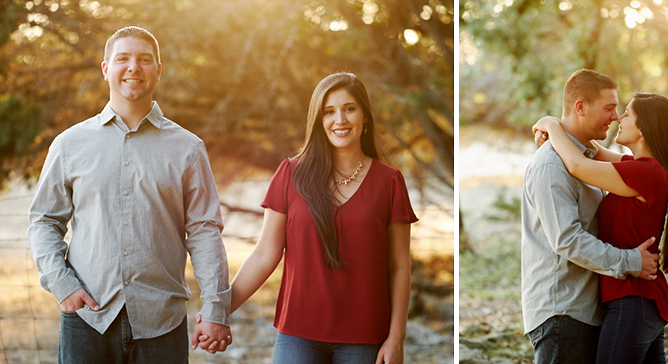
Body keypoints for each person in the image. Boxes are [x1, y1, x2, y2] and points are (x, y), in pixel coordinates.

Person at [27, 26, 232, 363]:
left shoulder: (188, 148)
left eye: (144, 60)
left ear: (158, 71)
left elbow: (204, 232)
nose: (133, 67)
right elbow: (43, 221)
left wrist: (215, 308)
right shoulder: (69, 145)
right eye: (122, 58)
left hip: (162, 324)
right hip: (87, 321)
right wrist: (62, 284)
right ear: (106, 69)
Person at [196, 72, 418, 363]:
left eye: (349, 108)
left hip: (365, 337)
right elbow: (264, 255)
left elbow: (399, 265)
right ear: (318, 120)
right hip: (297, 337)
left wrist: (396, 337)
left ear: (365, 117)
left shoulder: (389, 181)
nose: (339, 119)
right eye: (329, 111)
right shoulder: (291, 174)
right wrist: (219, 310)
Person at [532, 92, 668, 363]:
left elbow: (578, 164)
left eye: (627, 113)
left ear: (643, 129)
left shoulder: (647, 173)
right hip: (640, 304)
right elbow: (590, 150)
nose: (618, 117)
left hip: (632, 303)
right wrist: (558, 125)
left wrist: (551, 125)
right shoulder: (640, 169)